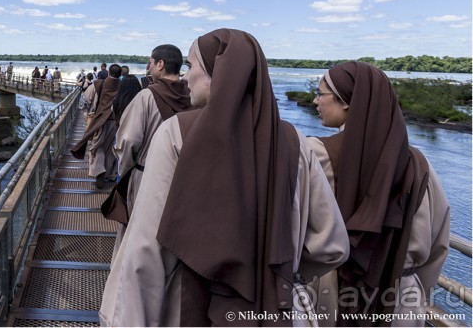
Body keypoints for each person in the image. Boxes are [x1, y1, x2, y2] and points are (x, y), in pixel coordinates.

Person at [99, 29, 348, 326]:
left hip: (188, 305)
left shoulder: (177, 133)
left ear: (219, 73)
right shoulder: (295, 142)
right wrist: (281, 271)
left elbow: (146, 252)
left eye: (192, 66)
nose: (185, 77)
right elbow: (332, 246)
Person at [306, 62, 450, 325]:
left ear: (346, 101)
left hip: (331, 294)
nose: (315, 101)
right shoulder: (419, 164)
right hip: (400, 299)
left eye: (320, 93)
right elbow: (438, 244)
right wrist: (417, 293)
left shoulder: (316, 153)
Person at [105, 45, 192, 257]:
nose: (148, 67)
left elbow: (128, 141)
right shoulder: (193, 95)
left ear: (160, 64)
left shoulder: (146, 96)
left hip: (146, 175)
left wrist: (125, 172)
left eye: (150, 62)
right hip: (183, 177)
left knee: (136, 231)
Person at [72, 64, 123, 188]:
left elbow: (85, 101)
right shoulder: (122, 86)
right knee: (110, 149)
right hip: (116, 122)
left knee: (96, 146)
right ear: (120, 74)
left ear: (108, 72)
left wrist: (87, 115)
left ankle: (99, 171)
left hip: (99, 121)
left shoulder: (98, 84)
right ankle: (109, 175)